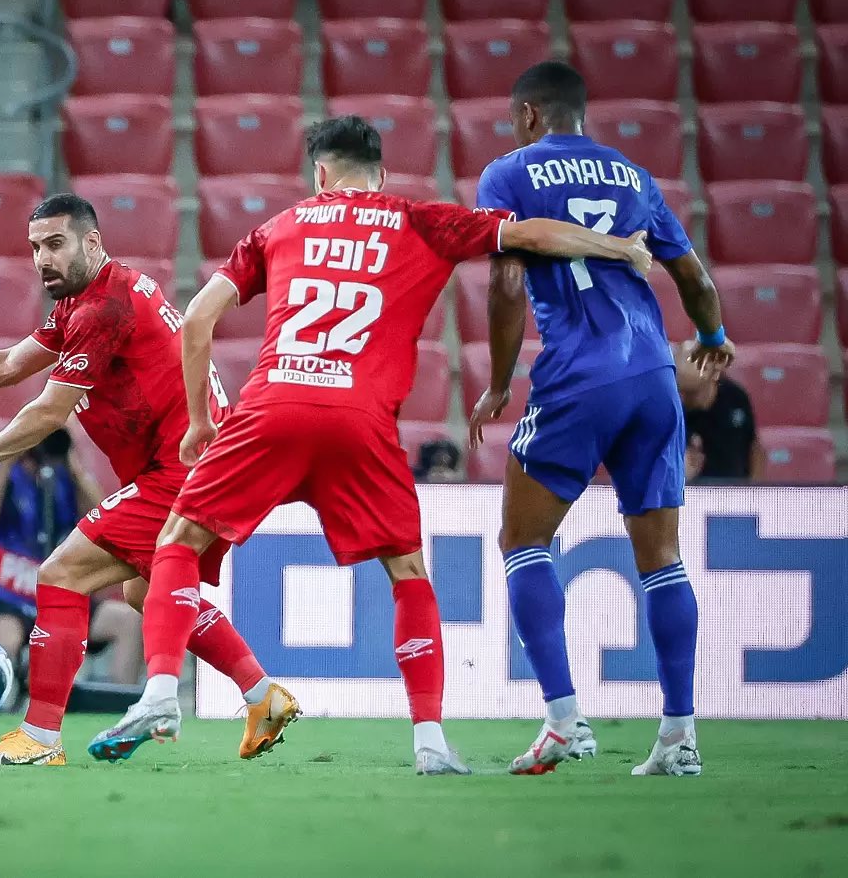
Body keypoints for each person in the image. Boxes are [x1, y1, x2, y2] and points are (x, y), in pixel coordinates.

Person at [88, 114, 658, 774]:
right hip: (360, 422)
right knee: (408, 575)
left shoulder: (279, 227)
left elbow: (196, 318)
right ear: (380, 175)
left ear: (320, 174)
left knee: (178, 542)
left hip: (273, 408)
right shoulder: (420, 221)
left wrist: (197, 420)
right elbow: (530, 234)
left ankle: (160, 694)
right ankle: (430, 742)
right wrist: (620, 249)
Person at [0, 193, 298, 767]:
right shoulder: (85, 301)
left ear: (92, 242)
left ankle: (40, 737)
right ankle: (263, 695)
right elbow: (9, 364)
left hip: (184, 469)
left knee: (61, 573)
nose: (43, 259)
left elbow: (48, 411)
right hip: (200, 466)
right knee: (142, 591)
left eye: (56, 244)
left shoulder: (101, 310)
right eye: (35, 247)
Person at [469, 62, 734, 777]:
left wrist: (498, 383)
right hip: (652, 376)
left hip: (579, 375)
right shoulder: (635, 178)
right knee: (662, 557)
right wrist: (712, 338)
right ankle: (679, 737)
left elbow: (507, 282)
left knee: (523, 539)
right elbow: (693, 277)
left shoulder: (508, 173)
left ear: (529, 114)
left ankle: (564, 722)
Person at [0, 428, 144, 688]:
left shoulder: (65, 477)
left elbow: (107, 526)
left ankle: (118, 702)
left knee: (129, 621)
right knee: (6, 639)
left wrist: (74, 468)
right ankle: (1, 704)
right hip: (7, 597)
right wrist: (8, 457)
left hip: (62, 595)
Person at [675, 341, 764, 482]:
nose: (685, 398)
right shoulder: (673, 409)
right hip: (695, 492)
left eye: (692, 392)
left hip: (737, 491)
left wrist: (754, 488)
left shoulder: (735, 397)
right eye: (682, 391)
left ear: (712, 377)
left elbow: (754, 447)